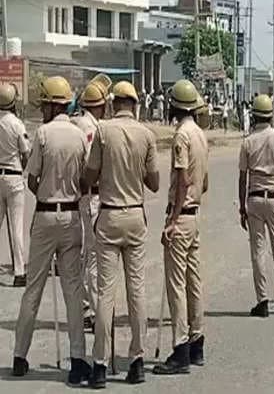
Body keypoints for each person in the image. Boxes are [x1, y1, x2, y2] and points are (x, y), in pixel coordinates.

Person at [12, 76, 91, 385]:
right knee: (73, 292)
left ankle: (20, 355)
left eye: (44, 103)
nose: (42, 108)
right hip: (72, 216)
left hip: (45, 216)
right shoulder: (78, 134)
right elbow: (86, 180)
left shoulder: (43, 133)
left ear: (51, 104)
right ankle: (78, 358)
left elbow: (31, 179)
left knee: (34, 289)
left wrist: (46, 190)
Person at [83, 80, 159, 388]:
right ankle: (137, 360)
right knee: (136, 290)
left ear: (114, 104)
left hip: (110, 213)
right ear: (136, 104)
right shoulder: (147, 134)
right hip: (135, 215)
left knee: (105, 293)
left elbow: (89, 176)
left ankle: (100, 364)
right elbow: (154, 182)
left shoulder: (102, 132)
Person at [153, 80, 209, 375]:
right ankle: (197, 341)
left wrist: (172, 221)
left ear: (174, 106)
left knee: (176, 285)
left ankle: (180, 349)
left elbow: (182, 179)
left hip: (181, 215)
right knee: (193, 281)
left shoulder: (181, 137)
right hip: (195, 214)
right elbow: (204, 182)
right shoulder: (200, 134)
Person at [238, 94, 274, 317]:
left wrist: (242, 207)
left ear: (254, 115)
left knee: (258, 251)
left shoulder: (248, 141)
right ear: (271, 115)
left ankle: (262, 300)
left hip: (254, 197)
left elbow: (242, 178)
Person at [71, 75, 111, 332]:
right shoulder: (95, 129)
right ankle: (95, 312)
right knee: (95, 257)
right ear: (101, 104)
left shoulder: (76, 124)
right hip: (94, 195)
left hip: (82, 197)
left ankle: (88, 306)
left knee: (88, 254)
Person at [0, 83, 30, 287]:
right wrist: (23, 170)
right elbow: (26, 153)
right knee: (16, 227)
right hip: (14, 176)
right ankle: (19, 272)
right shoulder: (17, 124)